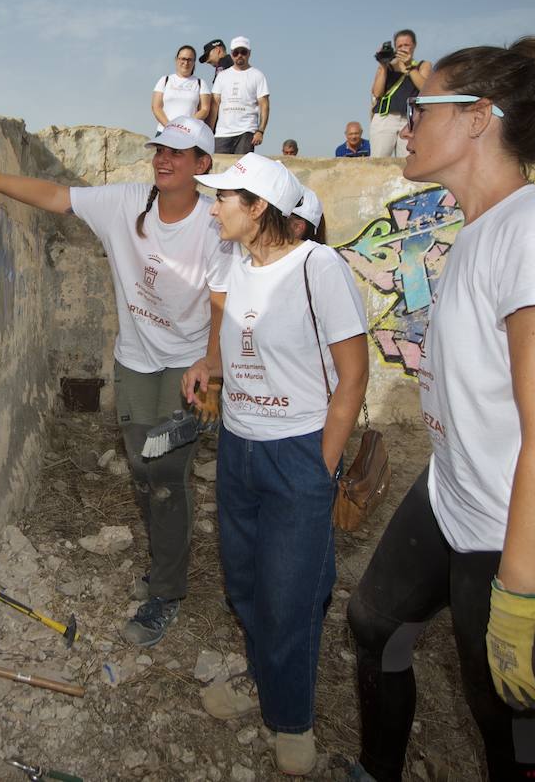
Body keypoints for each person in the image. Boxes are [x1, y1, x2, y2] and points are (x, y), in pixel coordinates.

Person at [346, 37, 535, 782]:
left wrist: (517, 598)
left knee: (505, 713)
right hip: (458, 492)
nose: (402, 122)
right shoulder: (481, 226)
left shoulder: (534, 233)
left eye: (417, 106)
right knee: (374, 624)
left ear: (477, 118)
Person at [0, 117, 229, 647]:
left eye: (179, 153)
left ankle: (167, 591)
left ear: (202, 165)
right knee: (140, 466)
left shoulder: (213, 224)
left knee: (166, 477)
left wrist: (214, 368)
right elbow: (57, 196)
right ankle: (162, 565)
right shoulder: (127, 203)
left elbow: (225, 302)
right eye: (160, 148)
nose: (164, 158)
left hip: (188, 366)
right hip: (135, 359)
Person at [182, 154, 369, 776]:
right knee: (243, 582)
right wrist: (210, 365)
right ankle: (267, 679)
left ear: (258, 206)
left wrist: (323, 465)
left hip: (298, 451)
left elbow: (353, 374)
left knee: (290, 595)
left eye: (223, 200)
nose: (213, 209)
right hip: (238, 446)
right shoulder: (237, 263)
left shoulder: (319, 266)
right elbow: (235, 333)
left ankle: (291, 719)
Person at [368, 29, 429, 157]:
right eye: (399, 46)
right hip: (385, 117)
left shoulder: (423, 65)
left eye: (406, 45)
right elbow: (377, 93)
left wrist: (409, 67)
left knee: (407, 161)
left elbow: (425, 89)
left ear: (414, 46)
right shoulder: (388, 67)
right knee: (379, 160)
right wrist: (383, 66)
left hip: (409, 119)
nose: (403, 49)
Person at [212, 38, 270, 154]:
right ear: (231, 54)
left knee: (242, 169)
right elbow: (215, 105)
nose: (239, 55)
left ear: (249, 53)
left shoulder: (257, 75)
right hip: (222, 133)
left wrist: (260, 131)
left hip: (246, 131)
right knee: (220, 169)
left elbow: (264, 105)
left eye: (243, 52)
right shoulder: (222, 76)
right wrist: (209, 130)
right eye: (235, 52)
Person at [152, 45, 213, 132]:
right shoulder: (165, 80)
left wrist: (185, 125)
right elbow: (156, 107)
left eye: (189, 59)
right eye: (183, 59)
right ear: (177, 60)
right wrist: (170, 126)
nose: (186, 62)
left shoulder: (201, 83)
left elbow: (205, 109)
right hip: (164, 131)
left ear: (194, 62)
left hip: (189, 133)